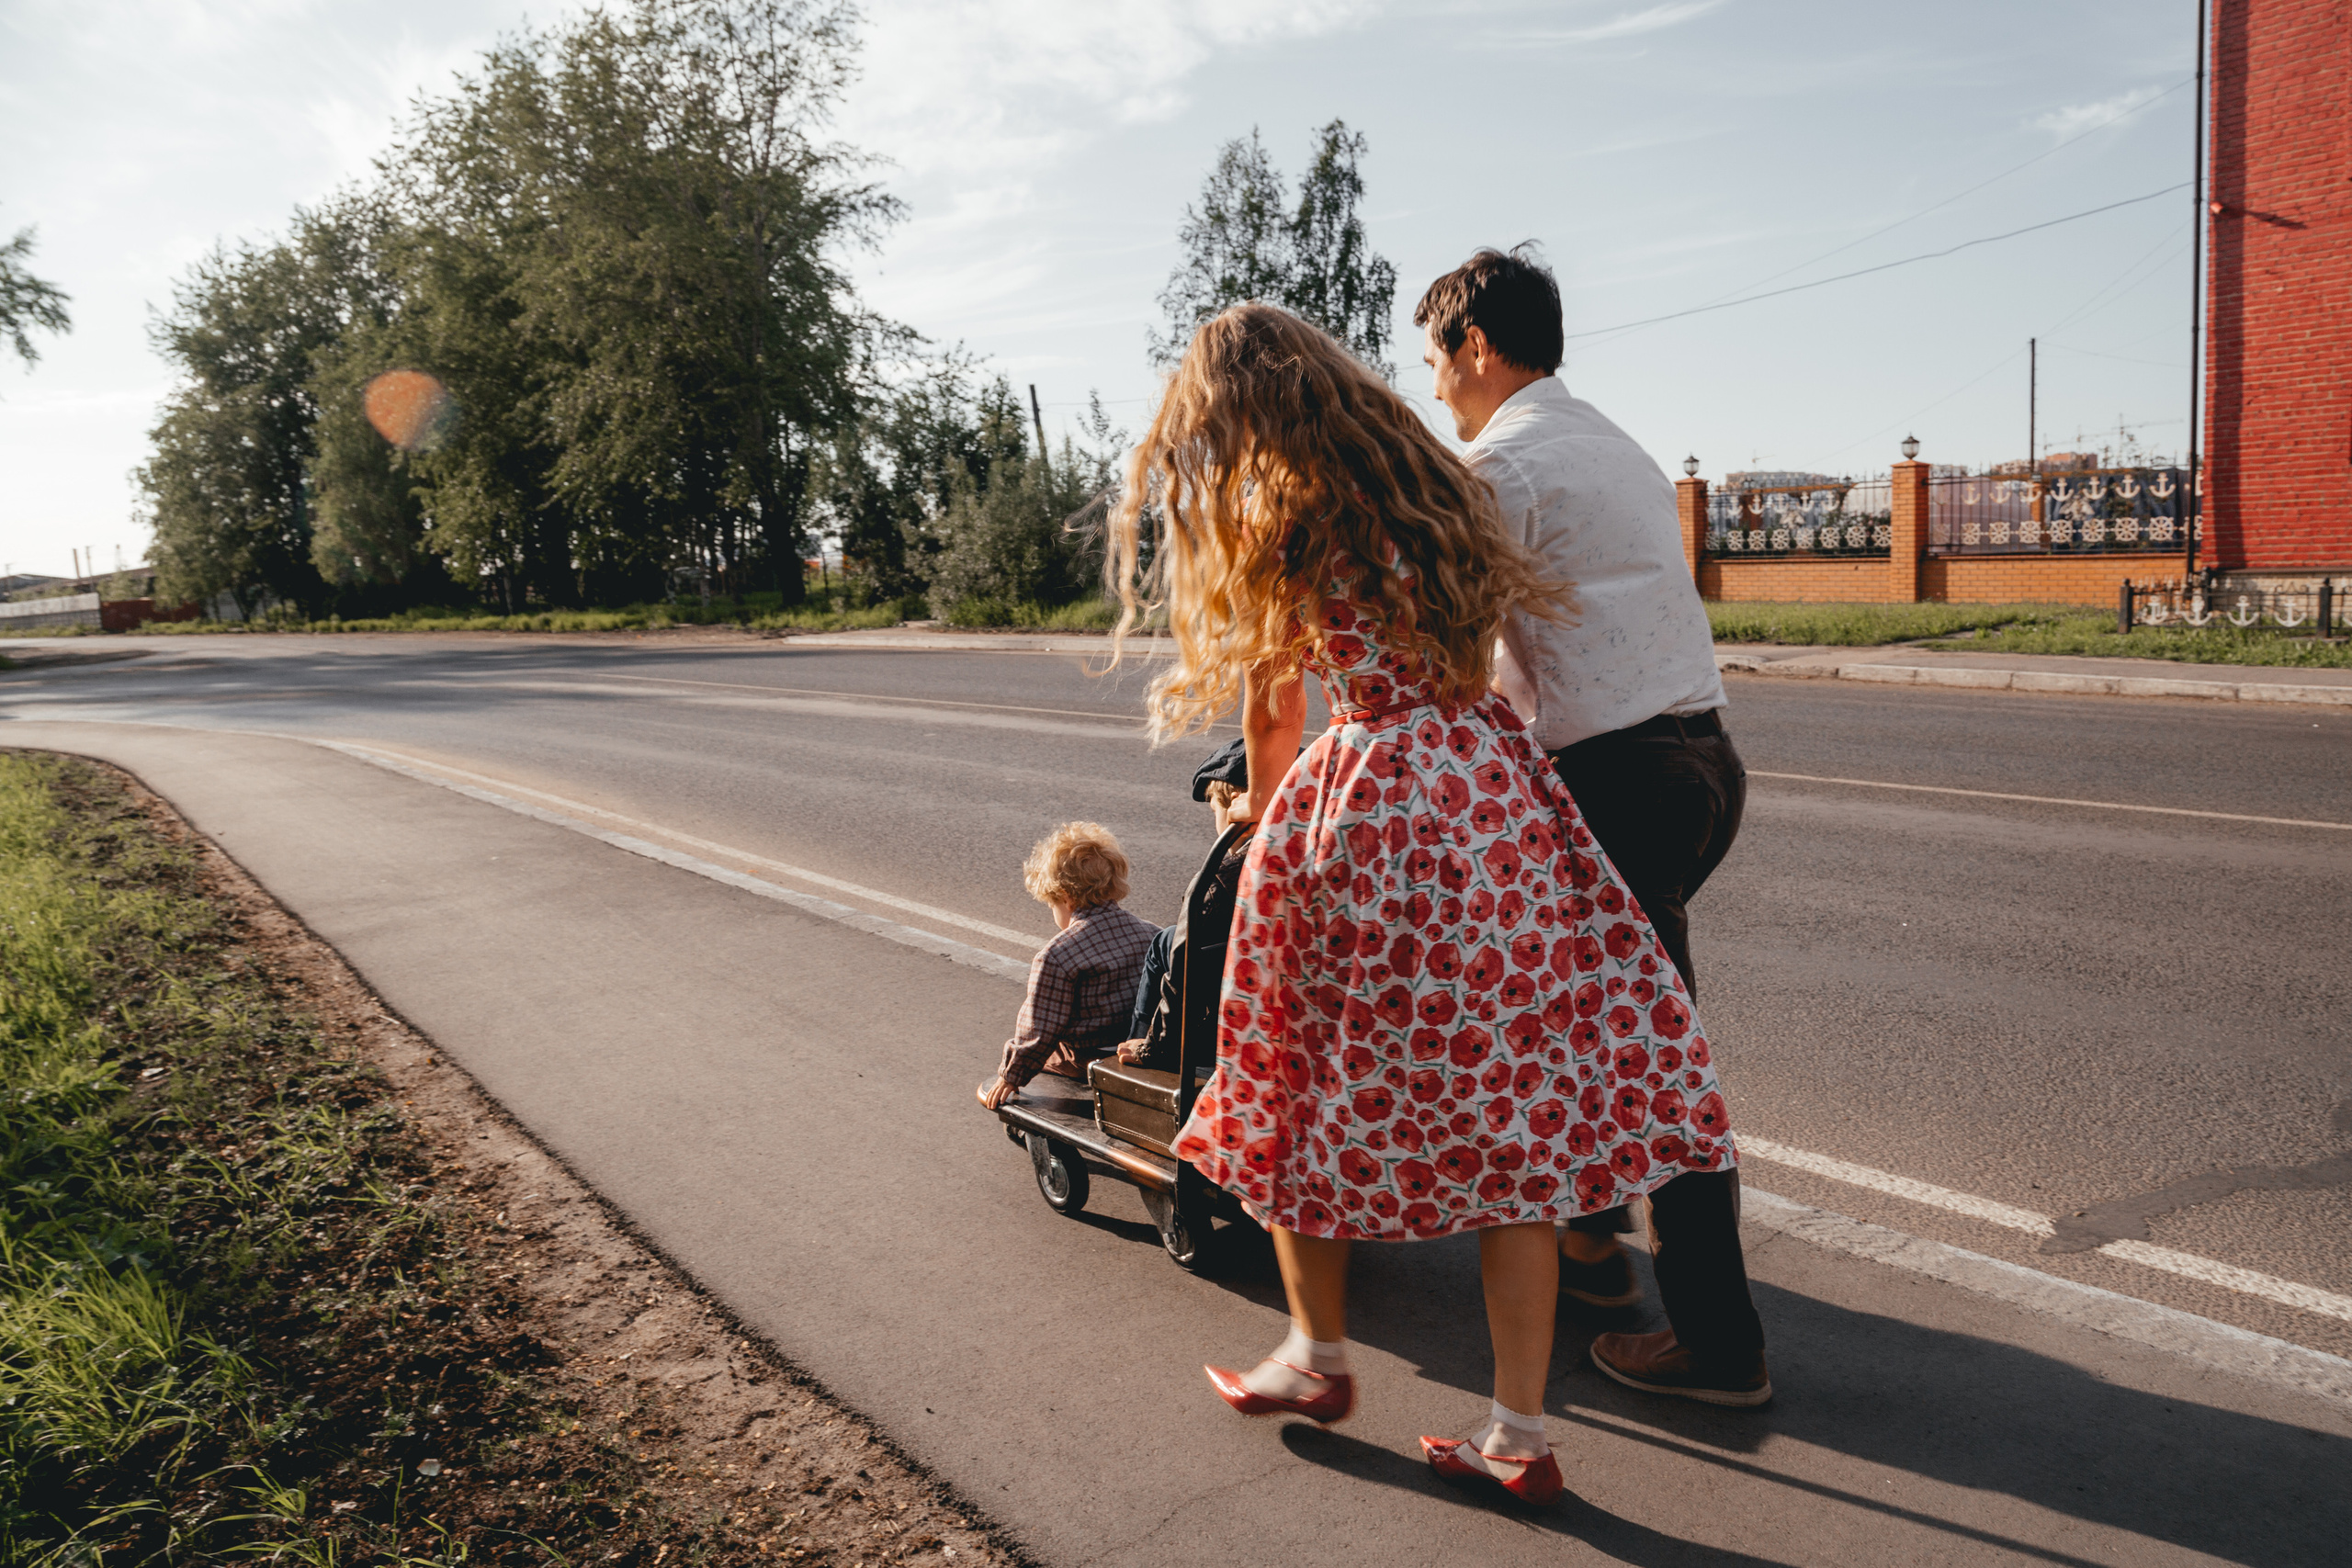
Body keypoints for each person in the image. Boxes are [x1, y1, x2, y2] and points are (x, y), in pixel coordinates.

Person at [1107, 303, 1748, 1506]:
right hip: (1492, 794)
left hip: (1368, 803)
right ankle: (1517, 1425)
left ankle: (1317, 1354)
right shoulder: (1441, 489)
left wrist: (1253, 811)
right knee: (1509, 1123)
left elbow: (1271, 717)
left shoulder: (1284, 513)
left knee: (1292, 1078)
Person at [1417, 244, 1767, 1405]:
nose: (1432, 389)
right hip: (1702, 762)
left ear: (1475, 346)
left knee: (1654, 1063)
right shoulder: (1614, 442)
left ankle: (1718, 1347)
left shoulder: (1496, 465)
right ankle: (1590, 1246)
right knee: (1586, 1017)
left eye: (1435, 360)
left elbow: (1455, 657)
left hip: (1617, 779)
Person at [976, 822, 1158, 1111]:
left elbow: (1039, 1029)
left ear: (1065, 897)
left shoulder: (1058, 955)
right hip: (1138, 1044)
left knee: (1046, 1053)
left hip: (1090, 1055)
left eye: (1052, 905)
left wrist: (1011, 1076)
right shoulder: (1151, 933)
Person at [1118, 739, 1252, 1070]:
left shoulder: (1224, 877)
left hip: (1229, 1024)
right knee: (1166, 939)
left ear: (1237, 804)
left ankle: (1137, 1050)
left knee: (1172, 948)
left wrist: (1156, 1047)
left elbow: (1187, 975)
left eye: (1214, 810)